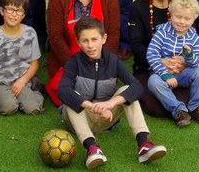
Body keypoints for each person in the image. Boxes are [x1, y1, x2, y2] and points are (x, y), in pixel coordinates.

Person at [58, 16, 167, 168]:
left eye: (94, 39)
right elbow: (62, 90)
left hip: (107, 118)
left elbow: (137, 87)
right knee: (71, 98)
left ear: (104, 38)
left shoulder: (113, 61)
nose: (90, 45)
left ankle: (143, 145)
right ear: (78, 43)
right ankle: (92, 149)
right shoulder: (74, 62)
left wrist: (110, 104)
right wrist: (91, 106)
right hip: (80, 119)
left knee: (126, 90)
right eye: (85, 40)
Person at [45, 0, 120, 105]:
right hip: (67, 64)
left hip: (101, 63)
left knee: (100, 95)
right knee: (66, 95)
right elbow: (56, 37)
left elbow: (113, 36)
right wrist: (75, 67)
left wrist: (102, 66)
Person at [146, 0, 199, 127]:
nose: (182, 22)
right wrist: (165, 73)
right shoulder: (163, 31)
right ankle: (179, 110)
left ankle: (196, 107)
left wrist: (188, 57)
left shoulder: (194, 37)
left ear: (194, 19)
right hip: (163, 74)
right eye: (178, 17)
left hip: (183, 75)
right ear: (171, 14)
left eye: (187, 18)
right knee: (153, 82)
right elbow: (151, 54)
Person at [0, 0, 44, 116]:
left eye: (18, 10)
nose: (13, 14)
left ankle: (36, 90)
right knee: (9, 108)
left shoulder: (30, 33)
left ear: (23, 14)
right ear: (2, 11)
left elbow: (34, 63)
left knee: (33, 109)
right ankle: (6, 96)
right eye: (9, 9)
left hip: (21, 80)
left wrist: (22, 81)